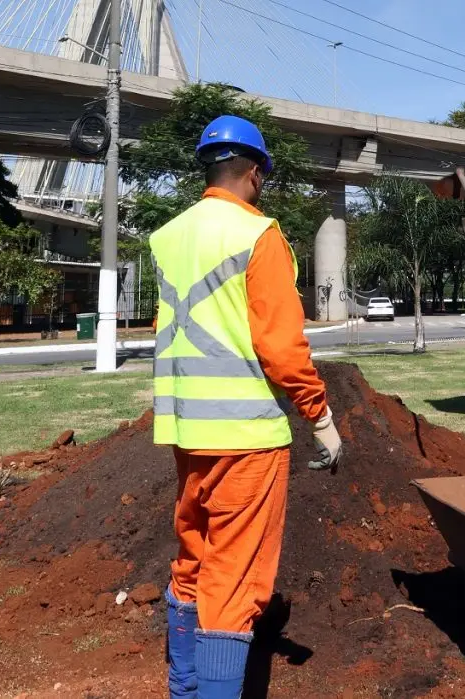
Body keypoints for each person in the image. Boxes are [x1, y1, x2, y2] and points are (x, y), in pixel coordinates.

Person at [150, 114, 343, 698]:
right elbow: (281, 348)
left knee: (193, 560)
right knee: (233, 583)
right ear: (255, 173)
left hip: (185, 429)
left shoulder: (167, 236)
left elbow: (169, 328)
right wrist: (321, 417)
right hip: (246, 438)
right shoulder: (258, 235)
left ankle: (184, 689)